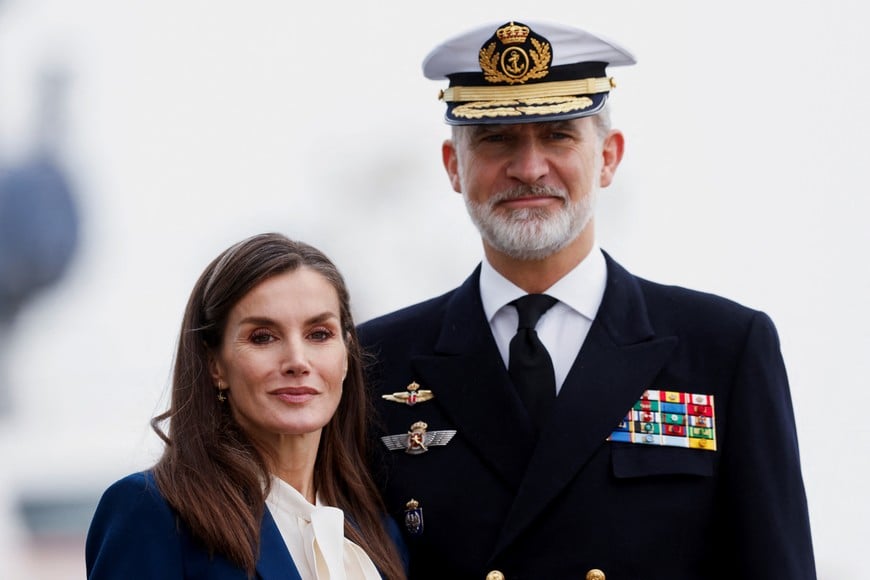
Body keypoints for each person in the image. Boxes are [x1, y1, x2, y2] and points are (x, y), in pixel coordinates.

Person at [357, 20, 815, 580]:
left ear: (608, 158)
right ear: (454, 166)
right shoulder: (374, 359)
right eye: (496, 138)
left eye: (558, 135)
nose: (528, 168)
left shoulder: (724, 349)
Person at [86, 233, 408, 579]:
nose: (297, 361)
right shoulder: (152, 513)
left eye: (319, 334)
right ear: (215, 364)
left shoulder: (379, 529)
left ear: (346, 356)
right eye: (263, 337)